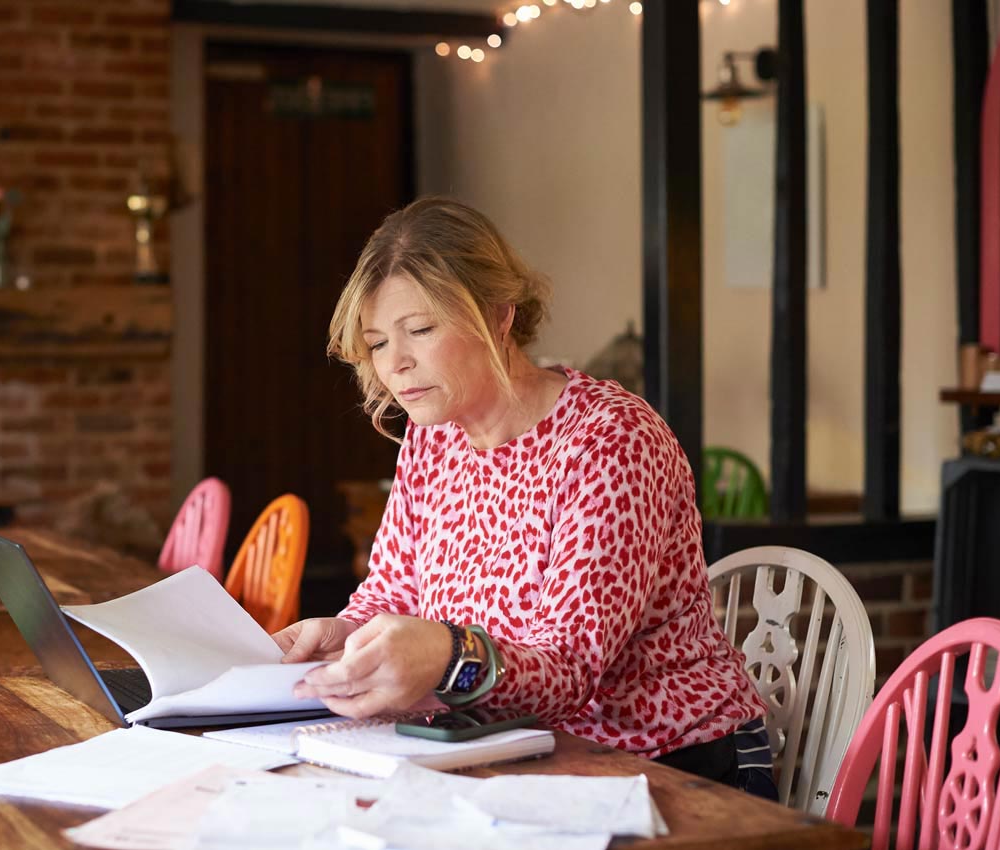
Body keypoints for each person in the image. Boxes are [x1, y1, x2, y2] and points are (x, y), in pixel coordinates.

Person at [277, 197, 775, 797]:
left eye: (421, 330)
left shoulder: (609, 439)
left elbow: (570, 669)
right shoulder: (433, 438)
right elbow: (393, 591)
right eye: (378, 342)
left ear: (498, 315)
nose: (396, 365)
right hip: (508, 754)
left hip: (666, 765)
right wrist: (345, 634)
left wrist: (444, 654)